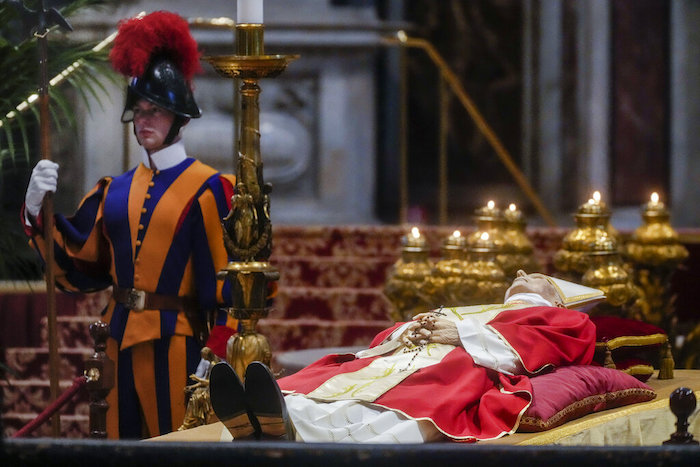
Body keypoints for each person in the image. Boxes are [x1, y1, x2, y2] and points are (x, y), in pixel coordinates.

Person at [23, 11, 238, 438]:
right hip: (115, 341)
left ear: (179, 116)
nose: (144, 121)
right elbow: (81, 265)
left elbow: (230, 286)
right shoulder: (113, 191)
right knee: (118, 447)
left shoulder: (210, 189)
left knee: (175, 446)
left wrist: (216, 353)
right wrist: (35, 212)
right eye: (138, 111)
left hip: (179, 345)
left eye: (156, 110)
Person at [209, 271, 605, 443]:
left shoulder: (563, 318)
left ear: (554, 295)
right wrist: (408, 329)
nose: (520, 272)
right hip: (404, 355)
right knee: (334, 380)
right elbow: (391, 334)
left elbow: (537, 353)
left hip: (462, 365)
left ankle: (286, 430)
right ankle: (268, 418)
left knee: (408, 402)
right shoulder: (476, 306)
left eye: (534, 276)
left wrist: (460, 334)